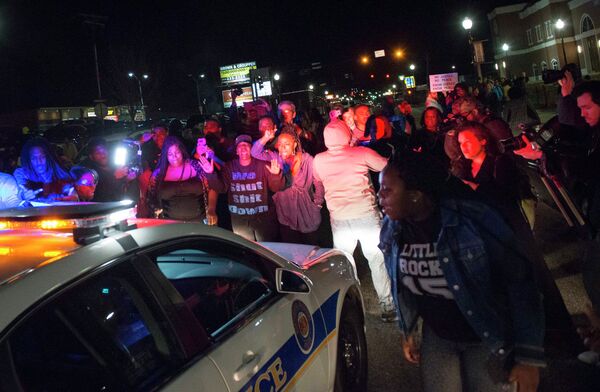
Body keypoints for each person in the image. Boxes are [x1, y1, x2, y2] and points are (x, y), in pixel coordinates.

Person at [378, 150, 545, 392]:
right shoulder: (392, 228)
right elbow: (401, 284)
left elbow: (520, 282)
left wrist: (528, 357)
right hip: (438, 337)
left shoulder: (471, 220)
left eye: (387, 190)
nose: (379, 197)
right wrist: (408, 329)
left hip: (486, 336)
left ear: (415, 195)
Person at [313, 119, 395, 321]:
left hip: (339, 219)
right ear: (346, 136)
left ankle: (354, 306)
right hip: (366, 214)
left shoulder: (318, 159)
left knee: (346, 263)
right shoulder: (361, 153)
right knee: (376, 259)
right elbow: (386, 166)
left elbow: (319, 183)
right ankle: (387, 305)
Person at [252, 128, 324, 244]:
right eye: (280, 144)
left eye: (287, 144)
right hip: (285, 211)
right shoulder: (275, 158)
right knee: (292, 249)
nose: (283, 148)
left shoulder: (307, 160)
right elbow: (255, 152)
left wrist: (318, 204)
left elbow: (318, 182)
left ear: (295, 144)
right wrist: (266, 138)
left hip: (306, 210)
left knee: (311, 248)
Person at [214, 134, 284, 241]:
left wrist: (275, 175)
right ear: (236, 151)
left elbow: (276, 188)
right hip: (240, 221)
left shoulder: (263, 165)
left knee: (267, 251)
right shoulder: (230, 167)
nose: (243, 148)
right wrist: (210, 174)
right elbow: (221, 188)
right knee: (246, 251)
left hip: (263, 219)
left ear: (251, 149)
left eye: (246, 145)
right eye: (240, 146)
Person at [148, 136, 217, 223]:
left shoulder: (195, 166)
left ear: (182, 151)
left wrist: (211, 209)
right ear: (165, 155)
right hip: (170, 225)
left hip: (200, 222)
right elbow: (151, 197)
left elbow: (213, 187)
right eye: (170, 154)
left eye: (177, 152)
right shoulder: (159, 174)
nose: (174, 157)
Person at [13, 137, 77, 203]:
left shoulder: (60, 173)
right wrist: (24, 195)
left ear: (48, 157)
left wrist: (69, 197)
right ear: (29, 160)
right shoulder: (22, 173)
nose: (39, 162)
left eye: (42, 157)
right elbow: (21, 190)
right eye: (34, 158)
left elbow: (73, 195)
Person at [81, 137, 139, 203]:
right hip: (110, 210)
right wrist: (115, 177)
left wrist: (127, 180)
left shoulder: (115, 165)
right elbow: (99, 197)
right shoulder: (91, 174)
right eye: (97, 153)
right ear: (91, 157)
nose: (102, 154)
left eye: (104, 150)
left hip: (127, 206)